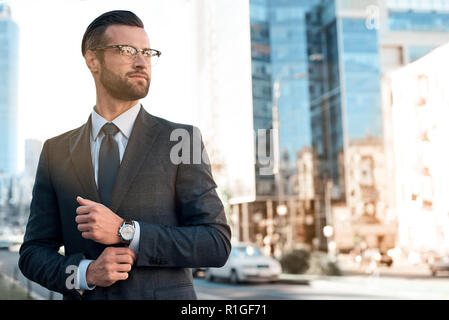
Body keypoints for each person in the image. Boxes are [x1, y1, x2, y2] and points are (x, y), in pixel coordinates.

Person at [18, 10, 231, 300]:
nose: (142, 61)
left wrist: (127, 231)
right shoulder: (55, 151)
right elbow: (32, 254)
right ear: (93, 60)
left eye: (147, 52)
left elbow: (215, 243)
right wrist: (85, 273)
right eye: (128, 50)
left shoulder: (183, 139)